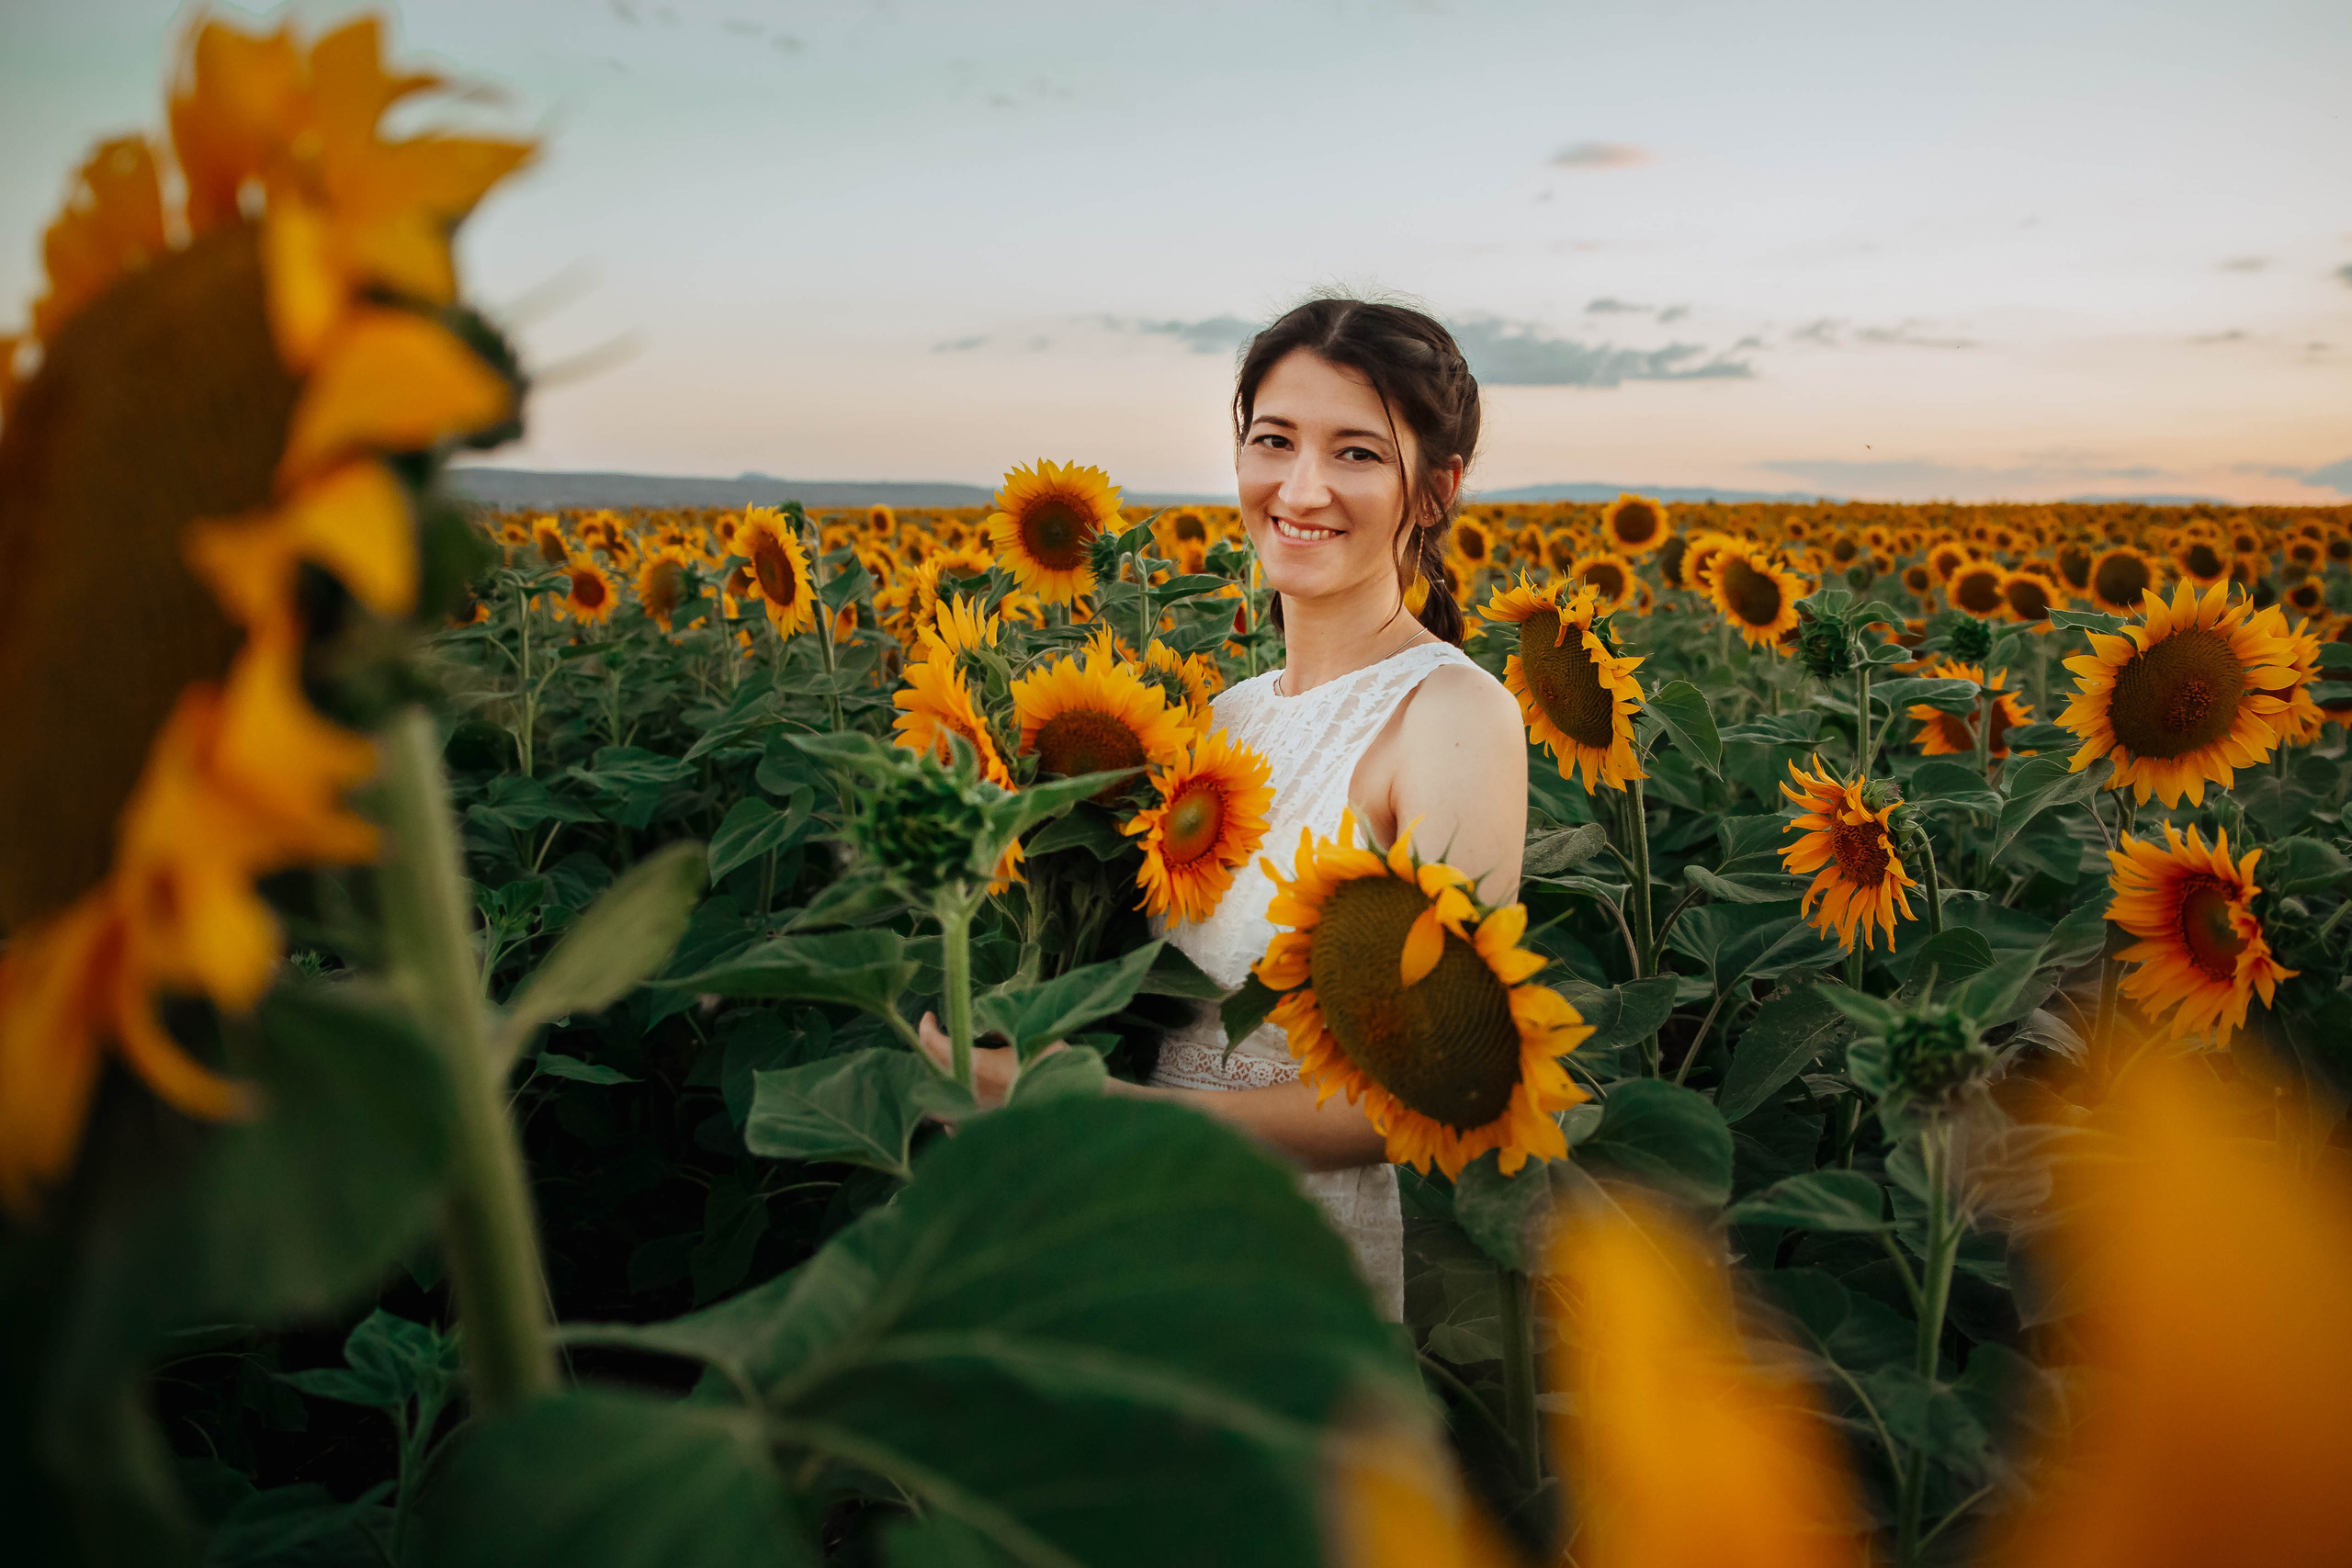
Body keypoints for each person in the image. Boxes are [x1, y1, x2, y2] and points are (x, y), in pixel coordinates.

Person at [919, 298, 1527, 1318]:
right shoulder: (1223, 719)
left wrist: (1110, 1115)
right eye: (1273, 441)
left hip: (1291, 1264)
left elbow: (1432, 1088)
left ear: (1435, 489)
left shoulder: (1452, 714)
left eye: (1358, 454)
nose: (1301, 488)